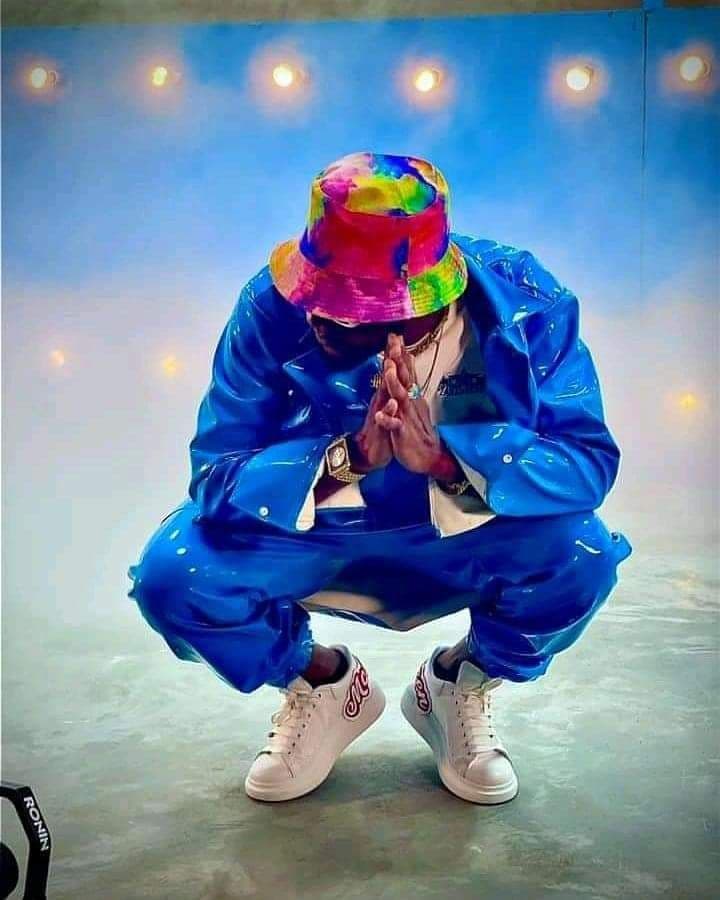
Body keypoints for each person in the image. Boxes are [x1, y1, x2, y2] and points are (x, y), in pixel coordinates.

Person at [127, 151, 631, 805]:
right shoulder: (273, 305)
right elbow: (215, 473)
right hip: (318, 533)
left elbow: (587, 461)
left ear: (427, 301)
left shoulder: (529, 301)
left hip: (469, 533)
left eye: (353, 310)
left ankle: (459, 682)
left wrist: (447, 458)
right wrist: (347, 458)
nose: (323, 320)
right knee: (174, 575)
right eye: (323, 299)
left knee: (582, 554)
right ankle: (322, 684)